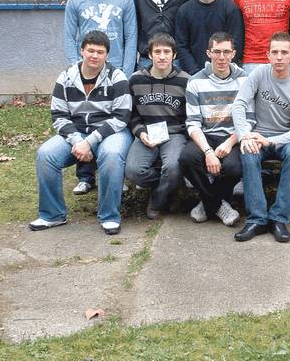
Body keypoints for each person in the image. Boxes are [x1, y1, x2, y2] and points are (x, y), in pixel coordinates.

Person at [29, 31, 133, 236]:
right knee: (45, 154)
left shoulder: (117, 77)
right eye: (90, 51)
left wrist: (90, 141)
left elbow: (121, 117)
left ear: (107, 55)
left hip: (112, 133)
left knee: (111, 155)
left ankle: (109, 216)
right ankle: (53, 214)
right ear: (82, 51)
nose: (94, 56)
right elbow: (59, 115)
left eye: (100, 52)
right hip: (76, 134)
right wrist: (78, 141)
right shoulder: (66, 77)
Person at [64, 0, 137, 195]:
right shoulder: (76, 1)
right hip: (86, 71)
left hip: (116, 71)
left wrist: (126, 72)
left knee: (116, 120)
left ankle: (116, 173)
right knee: (85, 118)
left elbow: (131, 37)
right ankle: (85, 175)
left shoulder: (125, 0)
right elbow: (69, 37)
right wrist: (76, 70)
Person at [231, 32, 290, 243]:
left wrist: (272, 141)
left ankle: (279, 219)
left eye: (284, 52)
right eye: (274, 52)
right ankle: (257, 219)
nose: (279, 57)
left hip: (285, 139)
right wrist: (244, 135)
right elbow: (239, 105)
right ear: (267, 55)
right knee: (248, 152)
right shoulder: (259, 73)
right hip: (258, 135)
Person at [179, 31, 249, 227]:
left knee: (234, 168)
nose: (221, 57)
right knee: (187, 158)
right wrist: (208, 152)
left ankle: (207, 203)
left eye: (226, 52)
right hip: (205, 135)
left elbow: (249, 120)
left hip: (233, 136)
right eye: (217, 52)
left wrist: (229, 143)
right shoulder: (195, 81)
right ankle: (218, 205)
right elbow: (193, 123)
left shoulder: (245, 80)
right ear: (208, 53)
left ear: (233, 53)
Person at [125, 33, 190, 219]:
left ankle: (158, 200)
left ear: (174, 55)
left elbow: (191, 116)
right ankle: (169, 186)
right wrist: (140, 133)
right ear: (150, 55)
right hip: (147, 133)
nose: (162, 56)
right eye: (157, 52)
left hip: (174, 134)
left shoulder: (186, 81)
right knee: (133, 171)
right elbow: (131, 114)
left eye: (166, 52)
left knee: (173, 167)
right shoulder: (136, 80)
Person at [175, 0, 245, 75]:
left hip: (225, 72)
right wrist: (196, 73)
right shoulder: (184, 11)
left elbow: (236, 44)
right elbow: (181, 46)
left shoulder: (231, 9)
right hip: (193, 74)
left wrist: (223, 71)